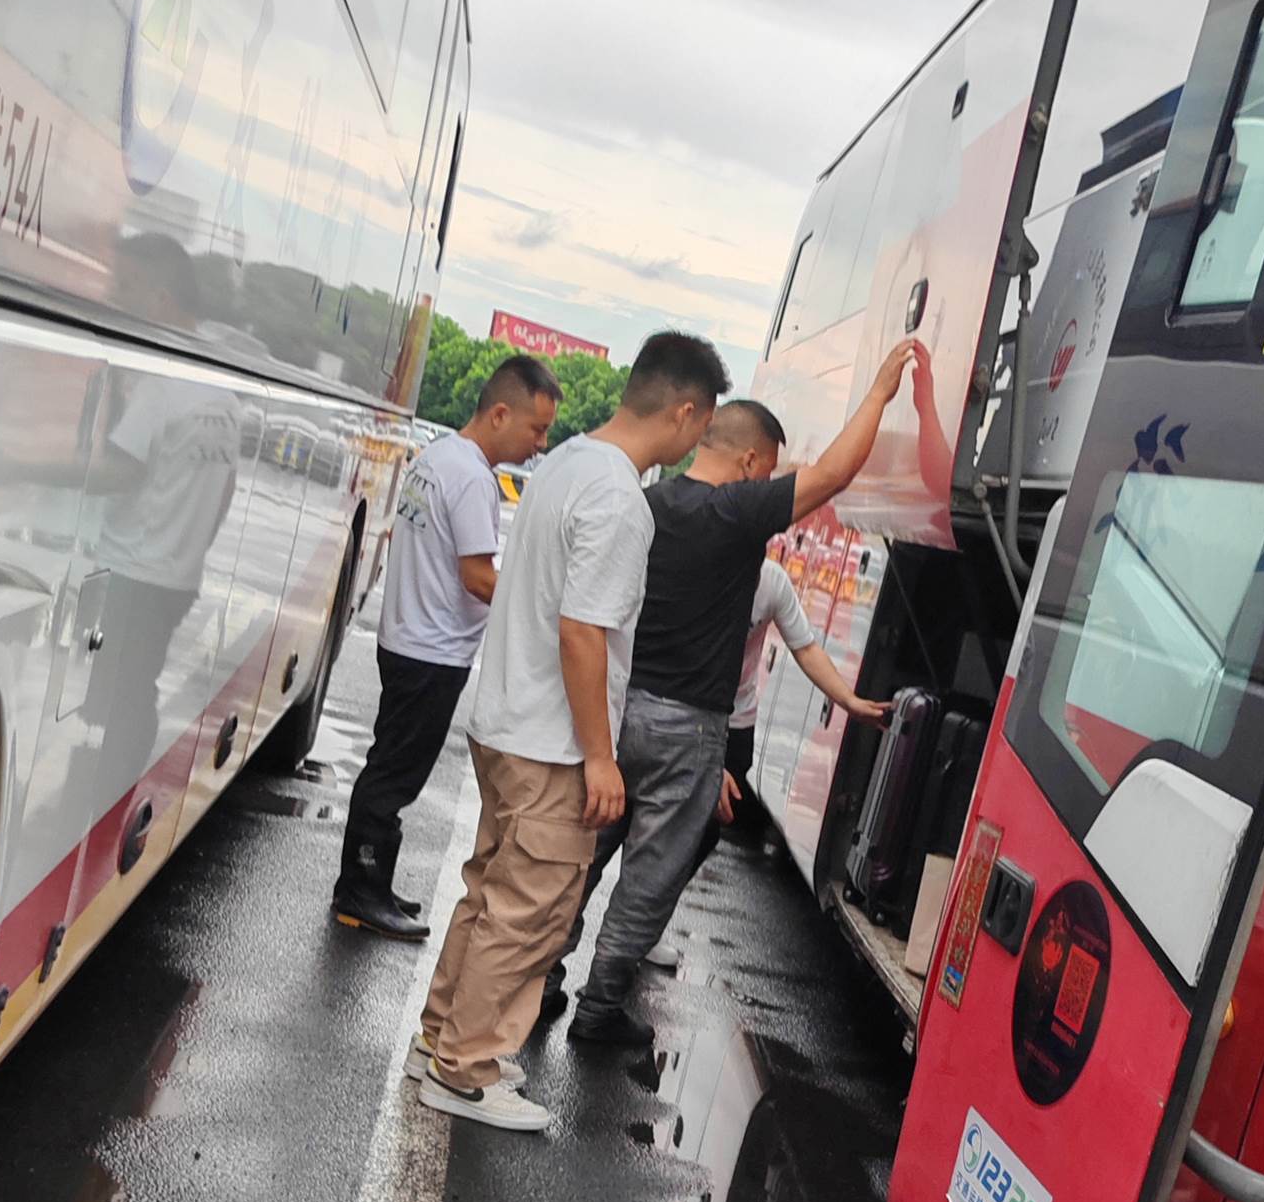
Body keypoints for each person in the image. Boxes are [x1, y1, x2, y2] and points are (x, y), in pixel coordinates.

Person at [413, 330, 729, 1133]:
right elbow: (585, 632)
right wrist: (600, 757)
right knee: (530, 912)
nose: (700, 440)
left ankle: (442, 1039)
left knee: (488, 894)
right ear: (687, 413)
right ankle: (466, 1067)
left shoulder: (564, 465)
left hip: (503, 721)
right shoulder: (620, 500)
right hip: (550, 742)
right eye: (704, 425)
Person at [562, 340, 918, 1051]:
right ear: (755, 462)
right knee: (650, 877)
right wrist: (880, 389)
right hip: (688, 728)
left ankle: (538, 982)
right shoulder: (734, 517)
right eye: (771, 465)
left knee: (580, 856)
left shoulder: (645, 503)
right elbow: (835, 473)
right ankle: (598, 1010)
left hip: (617, 710)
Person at [540, 550, 889, 1009]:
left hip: (725, 725)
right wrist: (700, 763)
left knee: (675, 854)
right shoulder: (679, 562)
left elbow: (804, 646)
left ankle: (607, 980)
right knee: (598, 849)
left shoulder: (768, 581)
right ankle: (555, 982)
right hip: (662, 718)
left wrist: (850, 701)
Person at [333, 355, 561, 938]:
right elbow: (478, 576)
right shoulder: (471, 478)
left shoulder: (437, 456)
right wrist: (544, 611)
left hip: (408, 637)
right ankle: (359, 892)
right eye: (536, 428)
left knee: (391, 767)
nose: (540, 444)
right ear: (500, 412)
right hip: (431, 652)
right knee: (394, 776)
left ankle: (373, 885)